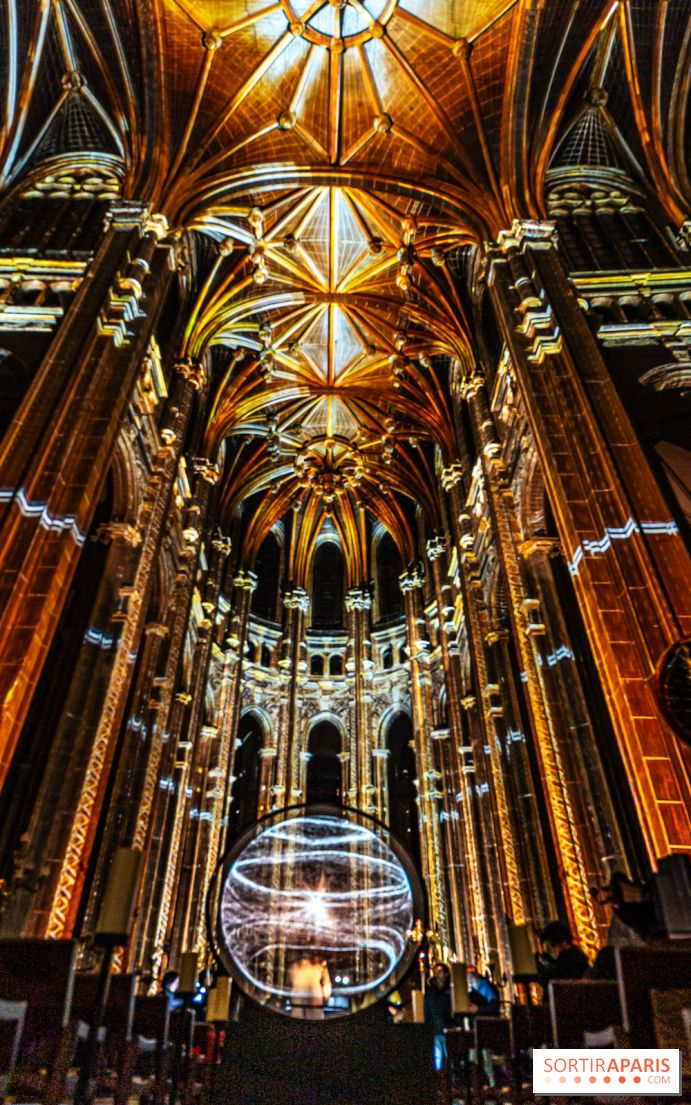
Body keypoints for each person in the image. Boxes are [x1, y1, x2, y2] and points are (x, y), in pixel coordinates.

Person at [424, 962, 452, 1072]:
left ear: (446, 974)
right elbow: (427, 1009)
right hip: (436, 1028)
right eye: (436, 972)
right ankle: (439, 1078)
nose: (437, 974)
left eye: (440, 972)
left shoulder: (451, 990)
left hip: (449, 1027)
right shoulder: (430, 991)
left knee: (450, 1055)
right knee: (437, 1056)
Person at [288, 954, 332, 1019]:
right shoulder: (295, 964)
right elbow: (326, 984)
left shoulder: (319, 963)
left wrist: (325, 999)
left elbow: (326, 984)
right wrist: (325, 999)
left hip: (309, 997)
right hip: (307, 997)